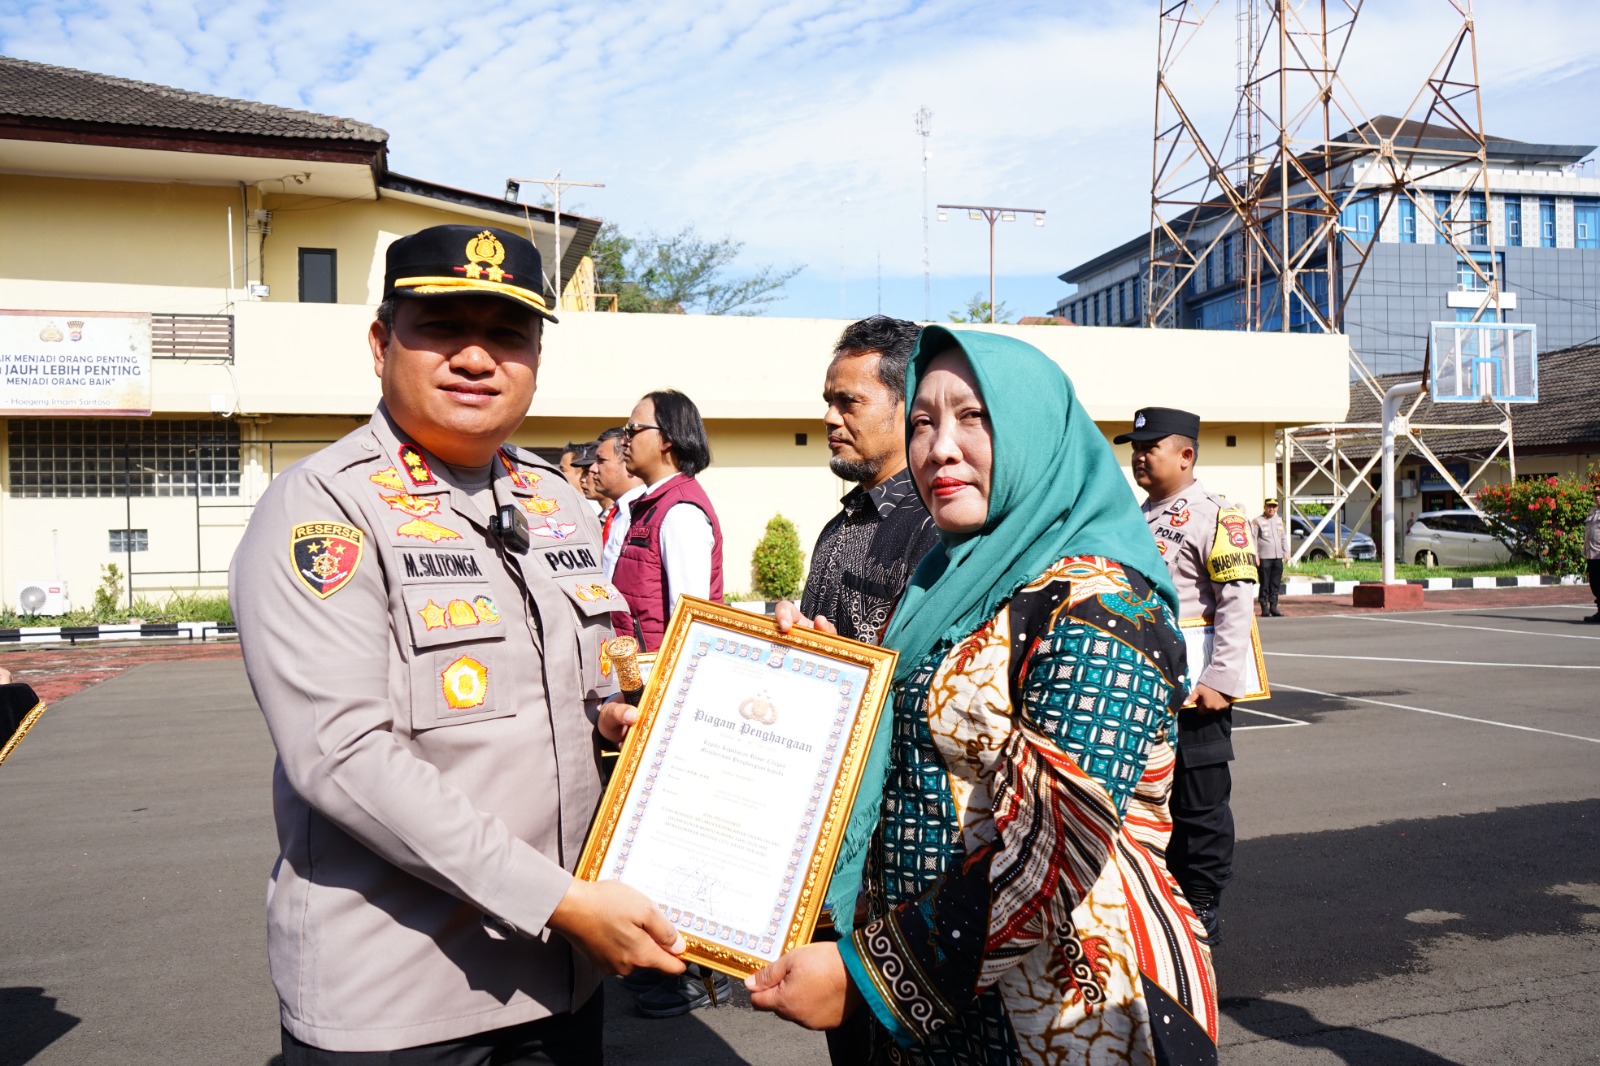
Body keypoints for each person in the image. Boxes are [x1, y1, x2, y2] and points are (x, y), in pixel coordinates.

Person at [230, 224, 685, 1064]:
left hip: (561, 981)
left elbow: (576, 695)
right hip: (402, 998)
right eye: (442, 328)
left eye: (508, 335)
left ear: (536, 360)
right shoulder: (324, 507)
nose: (477, 358)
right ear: (381, 344)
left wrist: (616, 719)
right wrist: (558, 902)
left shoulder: (554, 500)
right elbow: (342, 754)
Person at [750, 328, 1218, 1065]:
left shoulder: (1100, 606)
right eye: (922, 422)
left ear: (1037, 433)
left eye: (974, 417)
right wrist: (821, 676)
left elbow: (1057, 845)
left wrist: (871, 976)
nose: (939, 448)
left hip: (1067, 1010)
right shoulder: (952, 582)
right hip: (947, 1011)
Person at [1115, 406, 1257, 946]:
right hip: (1144, 687)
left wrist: (1221, 679)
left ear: (1186, 455)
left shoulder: (1218, 516)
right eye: (1135, 448)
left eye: (1150, 447)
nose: (1139, 456)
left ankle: (1201, 904)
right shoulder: (1135, 517)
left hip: (1197, 691)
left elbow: (1237, 602)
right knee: (1149, 798)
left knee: (1199, 805)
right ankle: (1163, 901)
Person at [799, 316, 938, 644]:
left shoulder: (936, 531)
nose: (829, 418)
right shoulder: (839, 525)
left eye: (848, 402)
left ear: (910, 407)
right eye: (829, 402)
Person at [614, 389, 724, 652]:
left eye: (633, 431)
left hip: (655, 673)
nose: (624, 442)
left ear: (667, 439)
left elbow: (690, 624)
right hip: (637, 669)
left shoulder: (681, 512)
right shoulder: (653, 504)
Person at [590, 426, 645, 579]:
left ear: (627, 461)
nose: (593, 469)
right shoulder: (617, 512)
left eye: (601, 460)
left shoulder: (645, 513)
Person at [1254, 497, 1287, 617]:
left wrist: (1286, 552)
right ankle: (1264, 609)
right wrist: (1255, 556)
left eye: (1274, 506)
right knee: (1265, 584)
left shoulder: (1279, 520)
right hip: (1264, 558)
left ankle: (1274, 607)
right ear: (1265, 507)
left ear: (1277, 508)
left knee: (1275, 584)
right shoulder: (1257, 521)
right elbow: (1253, 539)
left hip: (1277, 557)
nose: (1271, 509)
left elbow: (1283, 537)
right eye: (1269, 506)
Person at [1585, 484, 1600, 624]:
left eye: (1599, 494)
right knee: (1595, 584)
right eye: (1595, 494)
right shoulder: (1592, 512)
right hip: (1592, 554)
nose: (1597, 497)